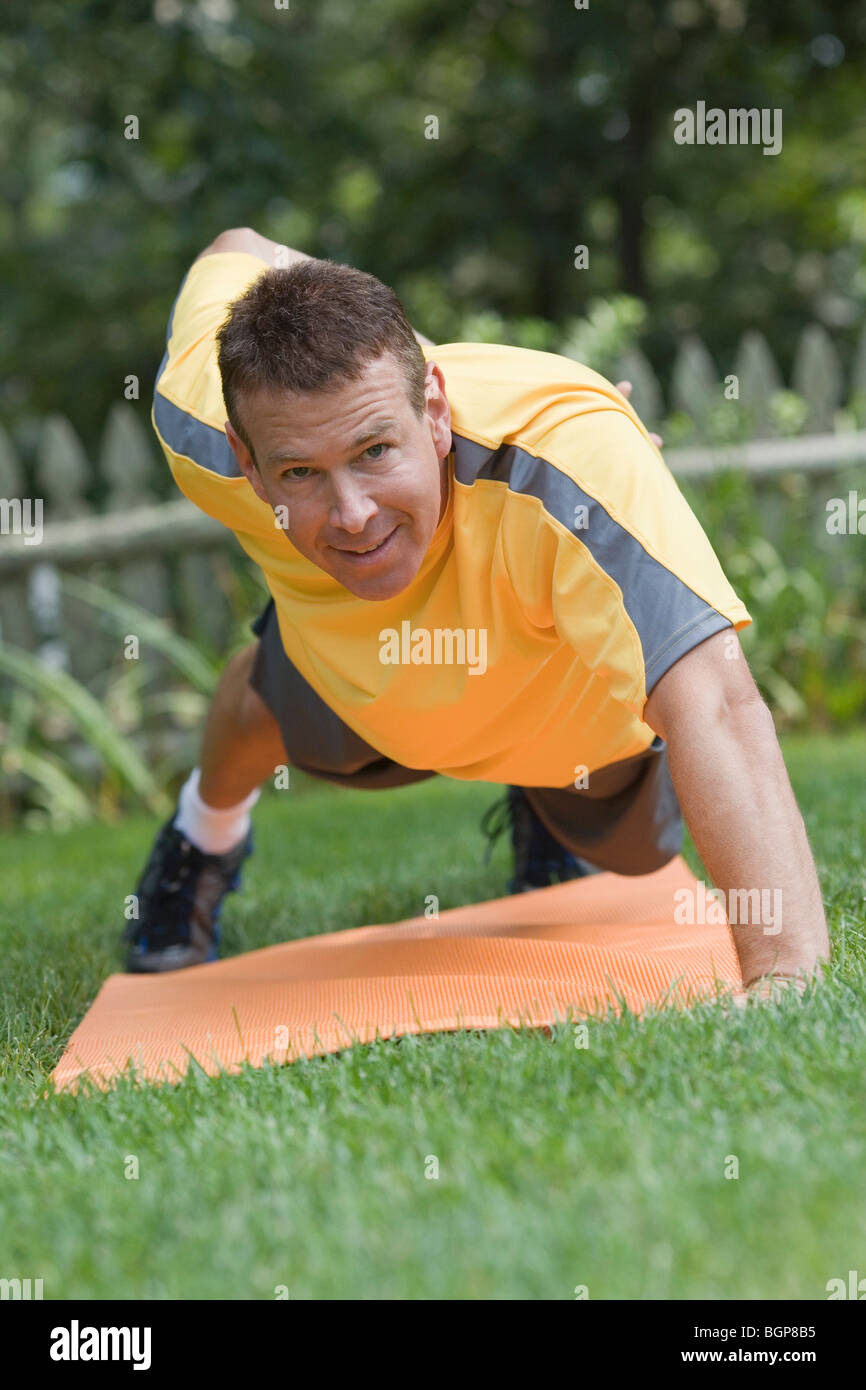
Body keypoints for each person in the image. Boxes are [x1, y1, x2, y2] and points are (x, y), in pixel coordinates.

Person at [124, 226, 829, 1004]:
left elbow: (720, 706)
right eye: (301, 473)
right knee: (258, 701)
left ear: (433, 408)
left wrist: (783, 977)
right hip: (364, 686)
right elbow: (242, 243)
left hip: (571, 720)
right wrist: (410, 344)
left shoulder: (573, 458)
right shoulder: (198, 423)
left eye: (374, 450)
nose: (353, 514)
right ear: (247, 462)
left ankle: (545, 806)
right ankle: (198, 846)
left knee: (634, 850)